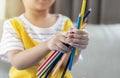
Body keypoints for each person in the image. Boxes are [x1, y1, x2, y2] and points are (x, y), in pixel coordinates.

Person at [0, 0, 89, 78]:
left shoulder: (65, 23)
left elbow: (66, 64)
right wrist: (47, 45)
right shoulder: (13, 25)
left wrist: (77, 46)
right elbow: (17, 62)